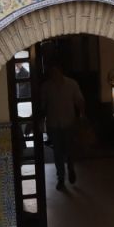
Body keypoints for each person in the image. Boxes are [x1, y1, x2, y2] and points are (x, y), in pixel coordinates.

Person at [39, 61, 85, 189]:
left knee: (69, 150)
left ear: (60, 71)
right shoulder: (46, 87)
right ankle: (61, 178)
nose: (54, 74)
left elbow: (79, 101)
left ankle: (70, 168)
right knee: (57, 153)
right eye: (51, 72)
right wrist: (40, 121)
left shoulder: (71, 84)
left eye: (55, 71)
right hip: (54, 124)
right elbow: (42, 106)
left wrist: (82, 116)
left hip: (69, 123)